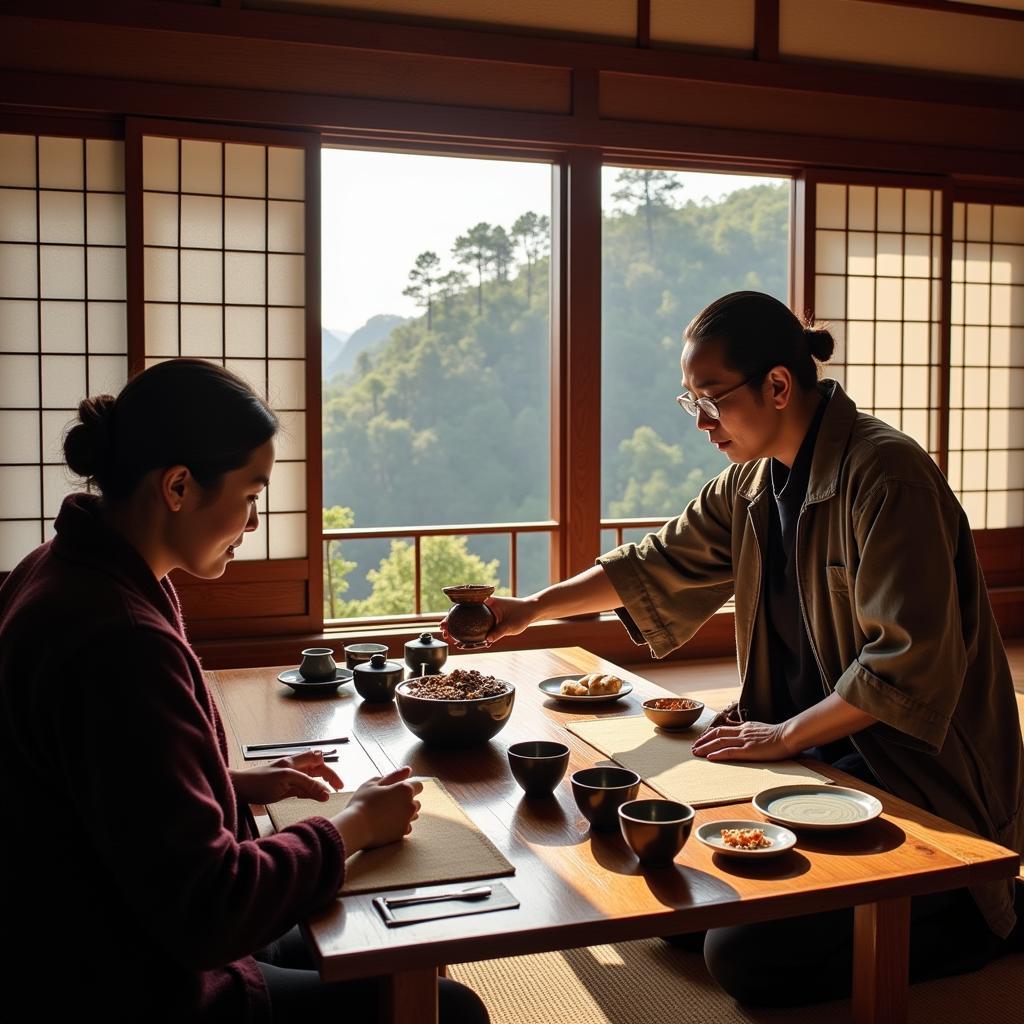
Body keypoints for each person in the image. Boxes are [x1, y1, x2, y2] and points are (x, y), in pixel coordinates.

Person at [451, 291, 1024, 1006]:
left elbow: (903, 664)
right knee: (671, 896)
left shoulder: (886, 476)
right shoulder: (750, 482)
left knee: (741, 956)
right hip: (817, 762)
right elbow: (656, 562)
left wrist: (784, 733)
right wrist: (531, 610)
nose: (700, 423)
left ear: (778, 386)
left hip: (906, 773)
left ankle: (984, 921)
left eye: (710, 399)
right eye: (688, 401)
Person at [0, 358, 488, 1023]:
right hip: (131, 978)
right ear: (177, 486)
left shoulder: (59, 569)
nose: (254, 523)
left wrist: (232, 784)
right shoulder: (117, 639)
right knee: (448, 1006)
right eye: (251, 495)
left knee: (383, 932)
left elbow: (113, 793)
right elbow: (211, 909)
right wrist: (351, 827)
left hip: (112, 925)